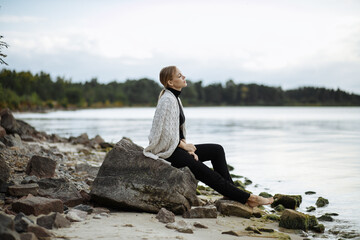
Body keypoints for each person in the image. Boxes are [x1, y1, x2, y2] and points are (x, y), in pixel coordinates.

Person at [143, 65, 274, 208]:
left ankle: (230, 192)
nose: (184, 77)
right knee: (205, 172)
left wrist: (188, 149)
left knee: (216, 150)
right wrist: (184, 147)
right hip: (167, 153)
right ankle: (249, 198)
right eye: (180, 76)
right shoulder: (167, 100)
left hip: (176, 149)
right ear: (170, 82)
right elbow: (162, 133)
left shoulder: (176, 99)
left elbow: (178, 131)